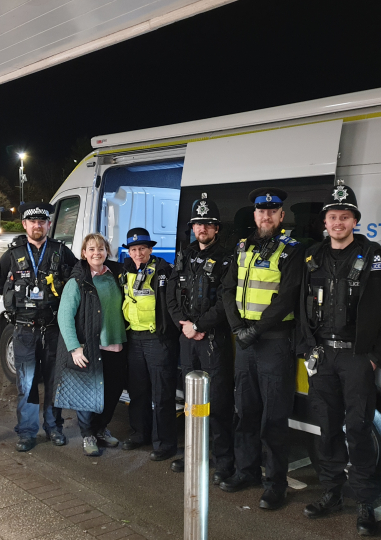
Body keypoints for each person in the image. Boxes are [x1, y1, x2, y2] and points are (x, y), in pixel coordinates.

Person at [297, 179, 381, 534]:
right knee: (327, 429)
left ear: (355, 220)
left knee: (358, 429)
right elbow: (300, 306)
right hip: (322, 356)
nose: (338, 223)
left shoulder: (376, 258)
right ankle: (331, 492)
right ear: (325, 221)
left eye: (345, 217)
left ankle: (366, 502)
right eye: (332, 217)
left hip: (357, 358)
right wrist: (307, 348)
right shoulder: (312, 257)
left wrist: (375, 358)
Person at [219, 187, 302, 511]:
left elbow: (286, 297)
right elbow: (227, 289)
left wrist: (255, 330)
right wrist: (240, 328)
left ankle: (275, 485)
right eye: (260, 211)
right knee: (246, 412)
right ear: (254, 215)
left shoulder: (292, 250)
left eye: (272, 211)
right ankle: (246, 471)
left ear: (281, 216)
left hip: (275, 344)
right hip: (246, 343)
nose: (265, 216)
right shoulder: (243, 248)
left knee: (274, 419)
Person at [0, 202, 78, 452]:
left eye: (42, 221)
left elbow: (77, 281)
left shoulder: (61, 252)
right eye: (33, 221)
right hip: (24, 330)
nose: (37, 225)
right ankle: (28, 432)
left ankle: (54, 427)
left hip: (53, 329)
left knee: (54, 382)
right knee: (26, 384)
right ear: (24, 224)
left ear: (49, 224)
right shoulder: (12, 254)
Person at [166, 193, 234, 482]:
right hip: (187, 338)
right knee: (192, 402)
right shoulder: (185, 254)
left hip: (213, 340)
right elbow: (170, 292)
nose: (201, 229)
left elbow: (225, 303)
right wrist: (182, 323)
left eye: (207, 224)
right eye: (197, 224)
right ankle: (193, 452)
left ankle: (224, 462)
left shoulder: (227, 258)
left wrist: (199, 326)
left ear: (216, 228)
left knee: (218, 404)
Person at [54, 233, 126, 457]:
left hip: (116, 345)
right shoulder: (77, 281)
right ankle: (88, 434)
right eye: (92, 249)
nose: (97, 253)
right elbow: (64, 317)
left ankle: (101, 428)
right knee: (87, 394)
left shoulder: (115, 275)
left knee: (112, 392)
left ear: (107, 252)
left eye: (101, 248)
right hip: (90, 347)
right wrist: (75, 348)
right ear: (84, 253)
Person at [119, 227, 179, 461]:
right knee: (138, 391)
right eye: (133, 249)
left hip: (158, 339)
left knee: (162, 394)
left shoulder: (163, 270)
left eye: (142, 248)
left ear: (150, 249)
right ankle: (139, 434)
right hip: (134, 338)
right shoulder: (124, 271)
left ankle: (164, 443)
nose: (138, 253)